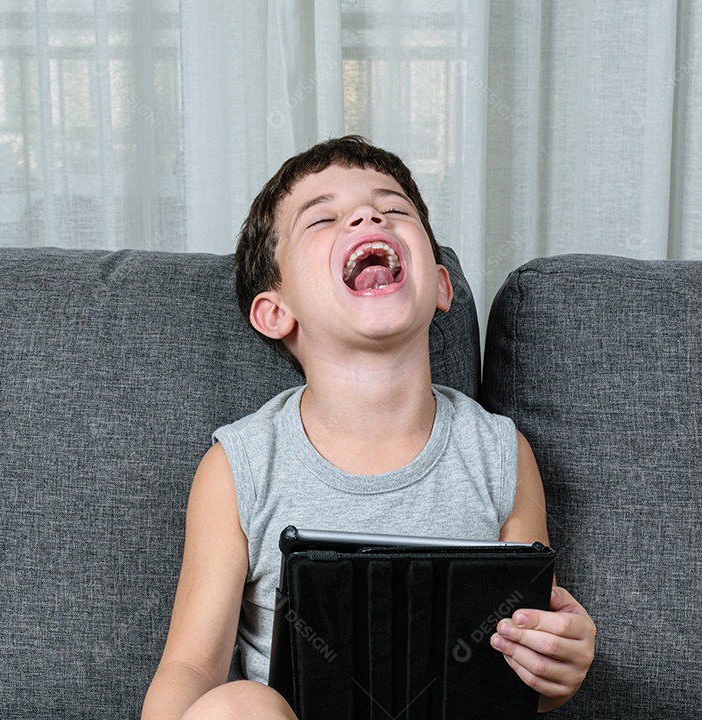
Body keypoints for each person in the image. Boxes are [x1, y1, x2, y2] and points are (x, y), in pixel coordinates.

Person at [142, 135, 595, 719]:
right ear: (275, 312)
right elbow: (189, 668)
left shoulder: (501, 456)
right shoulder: (241, 467)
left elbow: (518, 671)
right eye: (323, 218)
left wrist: (557, 671)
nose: (367, 214)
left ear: (440, 285)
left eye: (394, 208)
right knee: (237, 706)